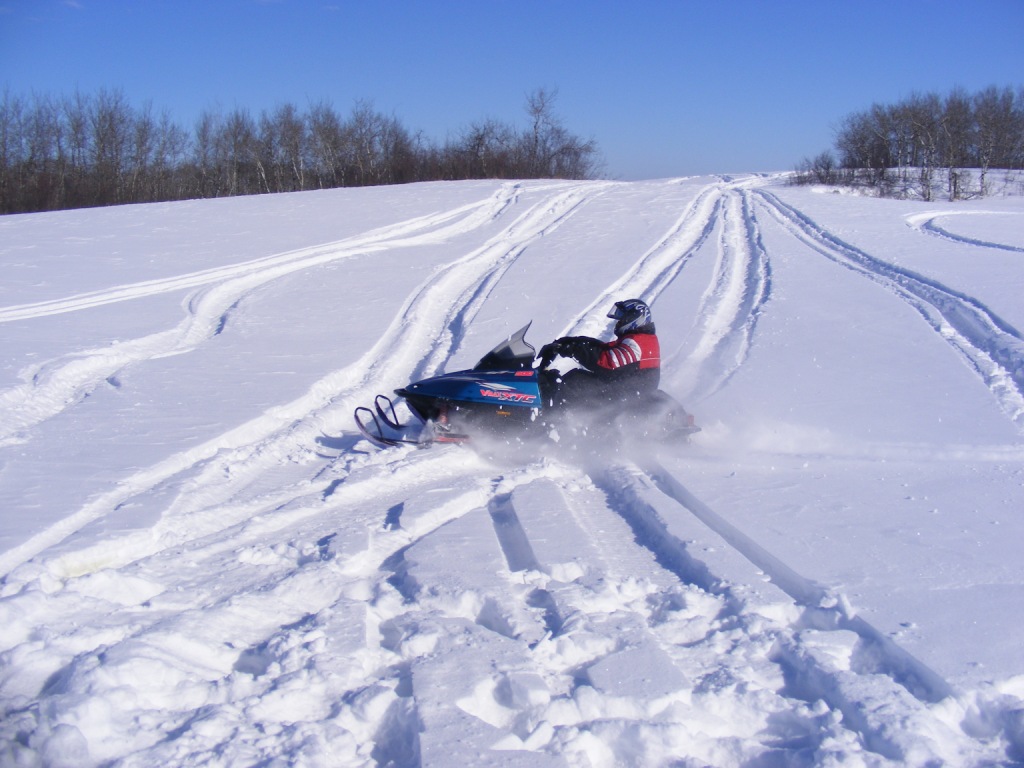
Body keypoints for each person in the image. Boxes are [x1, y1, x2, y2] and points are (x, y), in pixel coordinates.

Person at [538, 298, 660, 408]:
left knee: (575, 382)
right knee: (579, 379)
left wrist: (573, 349)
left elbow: (607, 363)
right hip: (629, 388)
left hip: (627, 394)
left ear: (635, 319)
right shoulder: (642, 339)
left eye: (622, 319)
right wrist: (570, 342)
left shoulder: (637, 343)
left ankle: (556, 421)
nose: (618, 323)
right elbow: (605, 348)